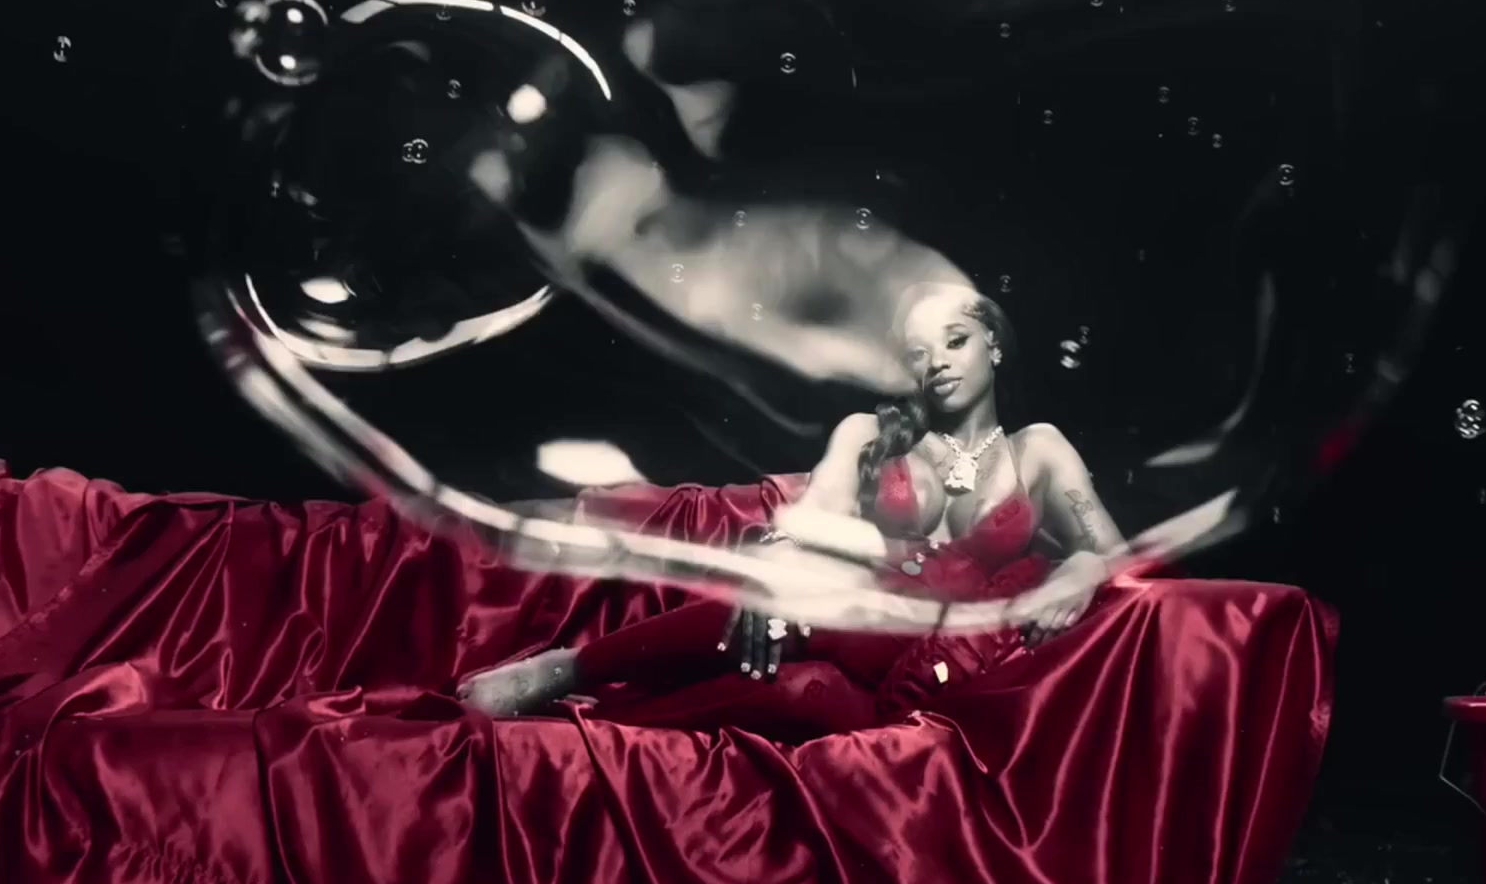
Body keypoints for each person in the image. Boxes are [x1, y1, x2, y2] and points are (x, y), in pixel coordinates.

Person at [456, 281, 1125, 727]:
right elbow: (815, 515)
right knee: (812, 600)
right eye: (919, 353)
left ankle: (602, 719)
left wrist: (1082, 567)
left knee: (805, 694)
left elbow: (1115, 553)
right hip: (853, 614)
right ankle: (568, 670)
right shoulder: (872, 433)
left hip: (930, 668)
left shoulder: (1038, 449)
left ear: (995, 346)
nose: (938, 364)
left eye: (956, 341)